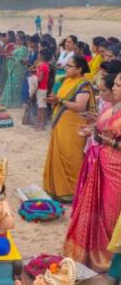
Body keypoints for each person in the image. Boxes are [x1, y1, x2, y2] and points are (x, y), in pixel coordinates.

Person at [64, 72, 120, 272]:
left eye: (118, 85)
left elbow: (115, 140)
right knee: (100, 209)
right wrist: (94, 132)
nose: (114, 88)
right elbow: (106, 131)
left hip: (117, 169)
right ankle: (95, 253)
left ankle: (109, 258)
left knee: (111, 212)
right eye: (114, 84)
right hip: (103, 161)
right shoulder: (115, 108)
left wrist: (109, 142)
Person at [43, 56, 96, 203]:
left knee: (71, 157)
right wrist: (55, 100)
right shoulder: (67, 81)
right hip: (61, 124)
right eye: (66, 66)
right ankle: (57, 190)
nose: (66, 68)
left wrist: (60, 101)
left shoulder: (83, 85)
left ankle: (72, 192)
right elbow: (63, 100)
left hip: (73, 128)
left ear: (79, 69)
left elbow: (79, 106)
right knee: (60, 153)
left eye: (70, 66)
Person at [0, 33, 29, 108]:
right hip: (13, 69)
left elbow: (22, 60)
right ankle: (12, 102)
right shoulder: (17, 47)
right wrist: (10, 57)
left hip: (19, 70)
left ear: (22, 40)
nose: (17, 40)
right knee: (12, 85)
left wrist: (11, 58)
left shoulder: (24, 49)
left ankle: (17, 103)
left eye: (18, 39)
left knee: (17, 86)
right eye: (16, 39)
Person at [35, 49, 52, 130]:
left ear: (42, 56)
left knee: (41, 107)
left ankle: (41, 125)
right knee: (41, 106)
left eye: (40, 54)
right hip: (43, 88)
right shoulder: (45, 65)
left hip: (41, 88)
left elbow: (39, 79)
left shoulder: (42, 66)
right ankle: (39, 123)